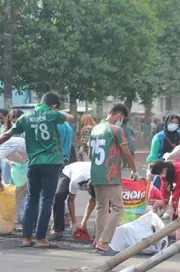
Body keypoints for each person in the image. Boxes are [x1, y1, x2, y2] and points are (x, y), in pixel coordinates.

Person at [0, 92, 74, 248]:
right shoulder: (53, 115)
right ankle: (41, 238)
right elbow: (69, 117)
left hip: (32, 163)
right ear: (53, 106)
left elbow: (7, 134)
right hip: (51, 162)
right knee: (46, 199)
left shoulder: (25, 117)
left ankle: (26, 238)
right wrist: (52, 111)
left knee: (31, 199)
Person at [89, 103, 139, 255]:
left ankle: (98, 240)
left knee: (101, 207)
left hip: (96, 173)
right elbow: (126, 152)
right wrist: (134, 169)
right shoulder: (116, 130)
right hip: (110, 173)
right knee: (118, 208)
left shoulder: (95, 128)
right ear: (119, 115)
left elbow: (91, 153)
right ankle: (104, 242)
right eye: (122, 119)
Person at [50, 161, 92, 240]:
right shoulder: (77, 179)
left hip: (87, 171)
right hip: (69, 172)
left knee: (101, 199)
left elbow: (94, 200)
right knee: (59, 195)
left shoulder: (100, 180)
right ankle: (57, 229)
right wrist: (74, 222)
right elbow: (71, 200)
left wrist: (84, 222)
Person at [0, 110, 24, 185]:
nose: (15, 124)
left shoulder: (24, 131)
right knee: (8, 182)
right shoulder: (5, 130)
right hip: (7, 160)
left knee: (21, 184)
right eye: (13, 121)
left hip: (21, 160)